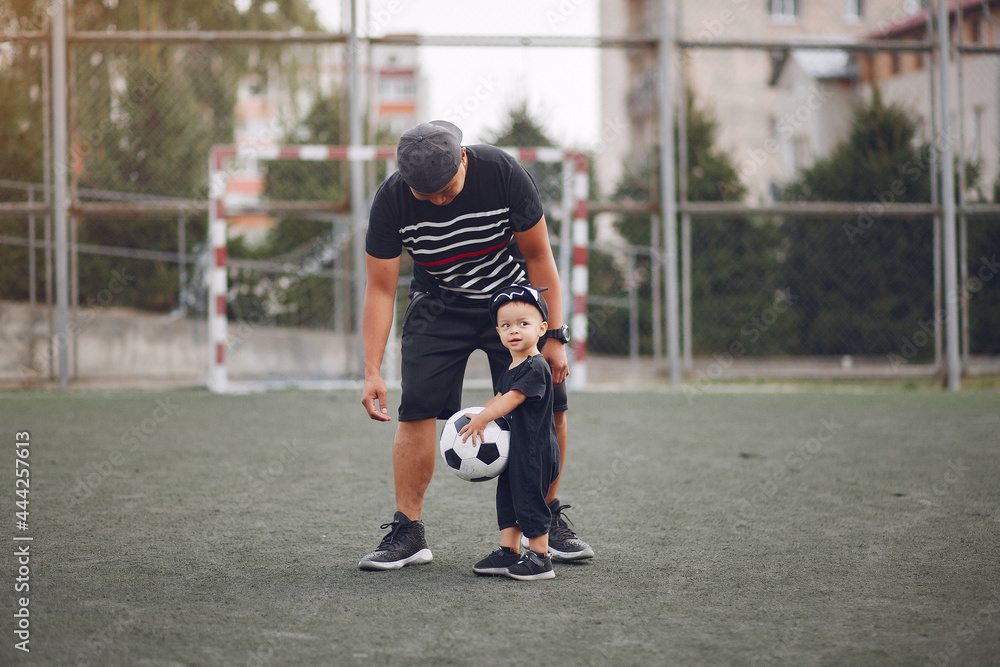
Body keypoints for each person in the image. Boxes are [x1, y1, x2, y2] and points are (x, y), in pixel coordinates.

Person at [358, 119, 594, 571]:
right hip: (439, 301)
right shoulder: (391, 201)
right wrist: (371, 369)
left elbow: (539, 256)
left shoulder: (502, 173)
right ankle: (409, 532)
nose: (440, 201)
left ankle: (544, 520)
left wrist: (555, 335)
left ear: (463, 158)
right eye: (428, 197)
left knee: (550, 404)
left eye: (447, 189)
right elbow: (380, 289)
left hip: (510, 301)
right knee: (417, 409)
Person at [464, 285, 560, 580]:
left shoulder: (536, 366)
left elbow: (513, 399)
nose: (513, 331)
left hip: (535, 451)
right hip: (515, 449)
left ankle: (541, 558)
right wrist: (480, 412)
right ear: (498, 331)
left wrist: (485, 419)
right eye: (506, 325)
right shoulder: (512, 365)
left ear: (542, 328)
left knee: (530, 501)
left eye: (523, 324)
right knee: (508, 498)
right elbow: (500, 395)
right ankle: (509, 551)